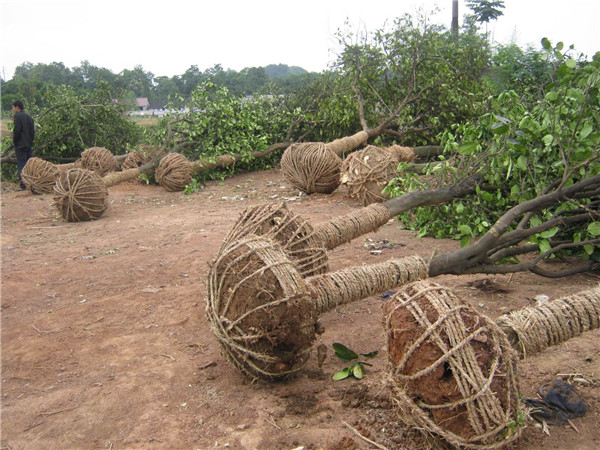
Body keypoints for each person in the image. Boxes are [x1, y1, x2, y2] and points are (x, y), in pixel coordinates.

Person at [12, 100, 35, 190]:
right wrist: (30, 141)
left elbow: (17, 130)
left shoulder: (17, 116)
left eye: (13, 107)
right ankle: (30, 183)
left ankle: (23, 184)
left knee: (22, 164)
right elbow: (32, 132)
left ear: (17, 107)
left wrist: (15, 142)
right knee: (28, 165)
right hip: (29, 144)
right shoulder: (29, 117)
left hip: (21, 144)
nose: (13, 109)